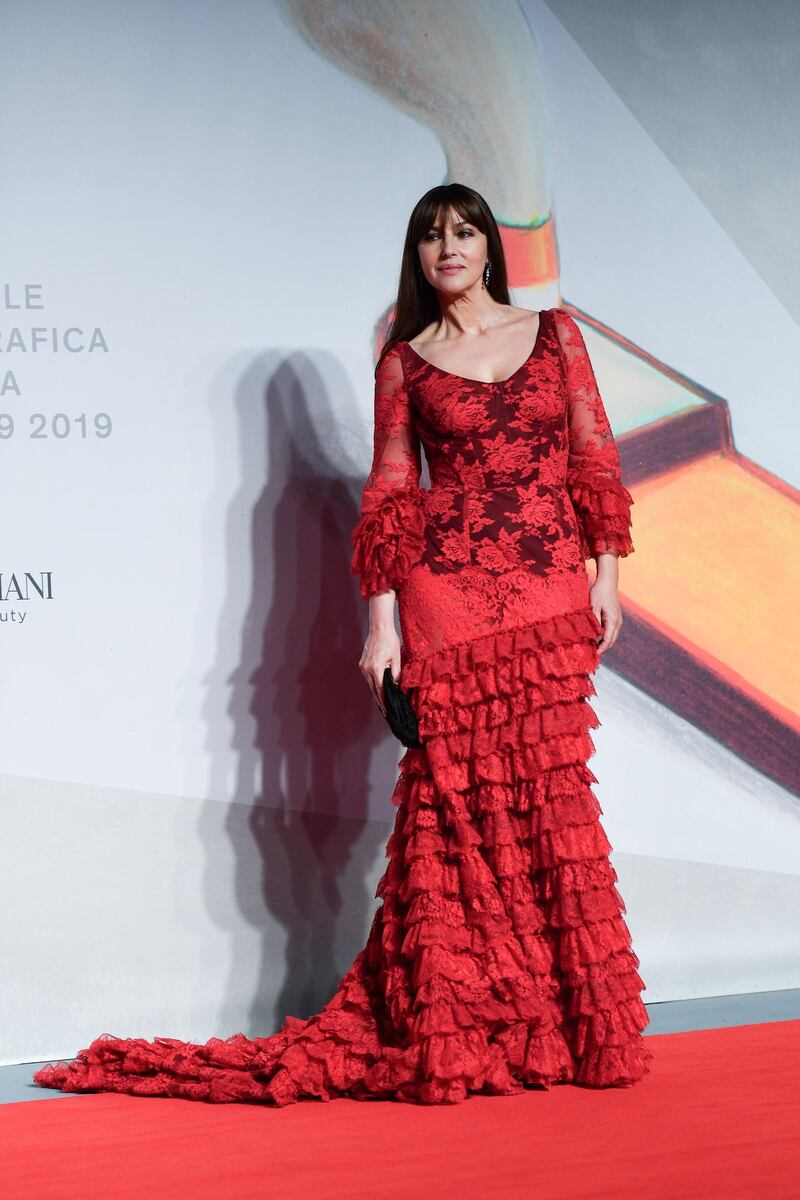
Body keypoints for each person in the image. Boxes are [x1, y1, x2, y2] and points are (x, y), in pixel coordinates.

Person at [34, 183, 651, 1106]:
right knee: (461, 814)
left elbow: (594, 455)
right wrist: (381, 629)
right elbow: (392, 498)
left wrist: (607, 572)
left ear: (491, 248)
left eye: (464, 231)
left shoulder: (557, 335)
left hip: (552, 594)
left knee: (550, 804)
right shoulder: (405, 360)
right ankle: (472, 1020)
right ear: (419, 255)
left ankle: (554, 1018)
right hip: (447, 604)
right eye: (431, 235)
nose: (448, 247)